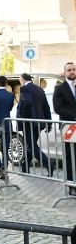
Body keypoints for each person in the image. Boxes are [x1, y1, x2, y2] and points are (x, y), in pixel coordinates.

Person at [17, 72, 52, 175]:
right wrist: (48, 122)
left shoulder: (24, 89)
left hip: (28, 123)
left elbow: (26, 104)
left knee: (31, 146)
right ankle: (25, 168)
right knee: (30, 145)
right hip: (38, 123)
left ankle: (49, 164)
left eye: (20, 80)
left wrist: (22, 119)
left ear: (22, 79)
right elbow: (46, 107)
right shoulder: (39, 89)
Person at [53, 62, 76, 194]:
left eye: (73, 70)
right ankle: (71, 185)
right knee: (69, 156)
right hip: (68, 127)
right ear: (65, 72)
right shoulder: (60, 88)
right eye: (69, 70)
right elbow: (58, 108)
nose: (72, 72)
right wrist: (74, 117)